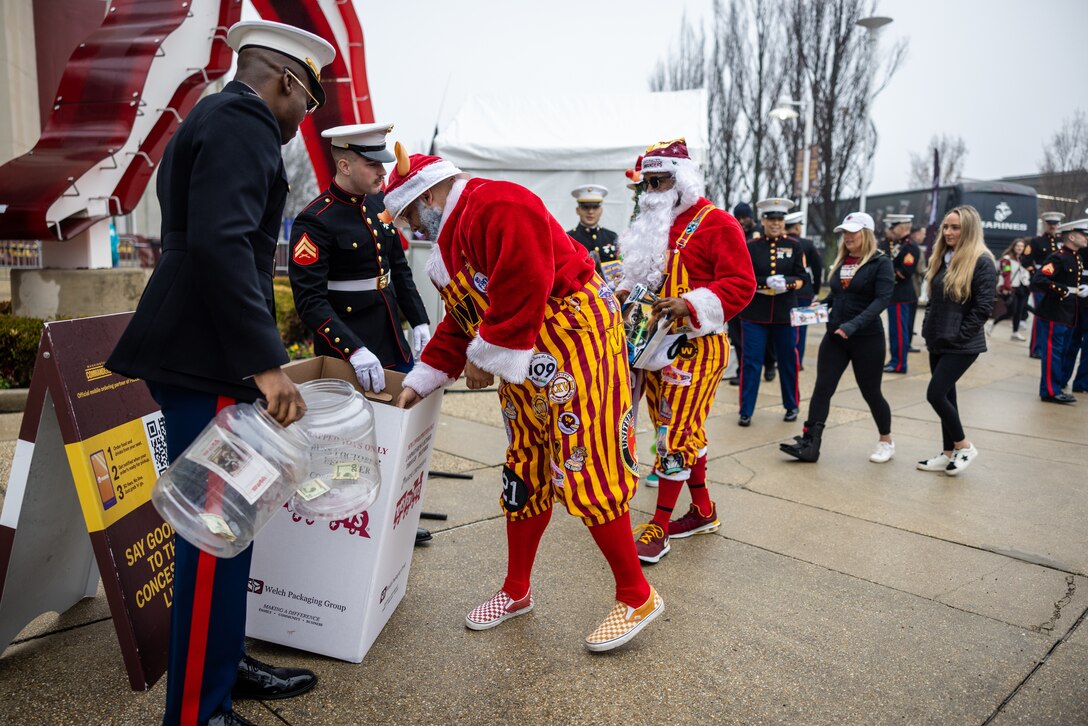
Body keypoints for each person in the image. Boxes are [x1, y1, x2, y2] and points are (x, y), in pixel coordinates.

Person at [105, 20, 334, 726]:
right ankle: (197, 712)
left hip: (205, 350)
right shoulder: (243, 120)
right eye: (309, 102)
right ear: (288, 81)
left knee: (232, 529)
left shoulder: (219, 113)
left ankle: (222, 668)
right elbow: (222, 242)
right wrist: (265, 363)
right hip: (205, 354)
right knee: (211, 543)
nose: (305, 118)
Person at [386, 145, 662, 652]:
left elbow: (526, 278)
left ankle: (636, 593)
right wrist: (419, 379)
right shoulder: (452, 237)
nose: (410, 228)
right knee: (525, 467)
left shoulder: (497, 203)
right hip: (524, 353)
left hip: (575, 343)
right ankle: (517, 590)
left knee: (587, 462)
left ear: (425, 196)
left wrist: (482, 356)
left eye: (407, 215)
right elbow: (462, 317)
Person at [612, 139, 754, 564]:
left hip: (697, 347)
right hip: (653, 348)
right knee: (679, 429)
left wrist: (691, 303)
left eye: (662, 180)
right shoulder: (653, 222)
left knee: (673, 434)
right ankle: (703, 512)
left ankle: (659, 525)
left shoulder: (718, 223)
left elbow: (741, 285)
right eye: (649, 183)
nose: (654, 189)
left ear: (684, 179)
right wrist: (625, 293)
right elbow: (646, 277)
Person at [289, 123, 430, 392]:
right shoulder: (314, 221)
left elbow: (398, 270)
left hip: (392, 339)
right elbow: (310, 301)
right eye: (373, 164)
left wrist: (419, 319)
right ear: (345, 166)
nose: (383, 172)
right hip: (348, 347)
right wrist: (353, 350)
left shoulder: (380, 203)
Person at [780, 212, 894, 463]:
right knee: (822, 388)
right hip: (835, 336)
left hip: (867, 337)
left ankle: (886, 440)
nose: (848, 237)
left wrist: (853, 325)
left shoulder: (880, 262)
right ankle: (810, 445)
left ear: (866, 233)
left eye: (853, 231)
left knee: (871, 392)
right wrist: (818, 306)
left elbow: (881, 300)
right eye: (845, 232)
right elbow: (838, 296)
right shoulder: (843, 260)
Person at [917, 205, 996, 476]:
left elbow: (983, 308)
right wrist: (928, 329)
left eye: (955, 227)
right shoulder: (942, 256)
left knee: (935, 394)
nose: (948, 232)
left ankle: (964, 445)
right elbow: (932, 301)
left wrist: (960, 335)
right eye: (946, 227)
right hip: (937, 339)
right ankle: (948, 452)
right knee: (948, 395)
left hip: (962, 344)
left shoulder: (982, 261)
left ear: (969, 230)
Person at [736, 198, 811, 426]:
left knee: (789, 360)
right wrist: (764, 282)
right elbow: (743, 277)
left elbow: (803, 278)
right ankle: (746, 410)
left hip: (784, 314)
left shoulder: (794, 246)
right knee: (751, 362)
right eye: (771, 219)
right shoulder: (751, 246)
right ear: (763, 220)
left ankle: (791, 405)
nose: (776, 223)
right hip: (755, 314)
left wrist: (787, 283)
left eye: (780, 219)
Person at [1032, 218, 1088, 403]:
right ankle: (1049, 391)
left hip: (1067, 312)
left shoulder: (1076, 257)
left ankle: (1055, 388)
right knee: (1052, 352)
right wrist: (1062, 290)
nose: (1087, 238)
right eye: (1084, 235)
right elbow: (1040, 279)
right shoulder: (1059, 256)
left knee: (1060, 351)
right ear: (1071, 237)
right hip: (1054, 311)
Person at [1023, 212, 1066, 359]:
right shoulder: (1036, 242)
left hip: (1059, 283)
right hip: (1041, 284)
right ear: (1045, 224)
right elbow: (1026, 260)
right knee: (1041, 316)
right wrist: (1037, 274)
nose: (1053, 226)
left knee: (1055, 318)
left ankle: (1049, 347)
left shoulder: (1063, 241)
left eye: (1055, 223)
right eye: (1050, 223)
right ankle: (1037, 348)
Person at [785, 210, 823, 370]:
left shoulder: (782, 242)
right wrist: (815, 289)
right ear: (797, 228)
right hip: (804, 290)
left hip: (786, 289)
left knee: (786, 329)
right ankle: (797, 361)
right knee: (801, 330)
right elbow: (817, 267)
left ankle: (785, 360)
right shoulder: (807, 244)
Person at [880, 213, 919, 373]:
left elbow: (905, 272)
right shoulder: (898, 244)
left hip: (902, 294)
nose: (891, 230)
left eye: (893, 227)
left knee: (899, 332)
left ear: (902, 227)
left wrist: (886, 270)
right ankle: (894, 360)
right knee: (894, 331)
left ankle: (899, 363)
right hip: (895, 294)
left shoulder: (909, 246)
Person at [989, 238, 1031, 340]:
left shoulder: (1020, 259)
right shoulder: (1007, 259)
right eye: (1018, 246)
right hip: (1010, 289)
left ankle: (1015, 333)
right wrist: (1007, 287)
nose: (1020, 248)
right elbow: (1006, 274)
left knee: (1019, 311)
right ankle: (993, 323)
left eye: (1022, 246)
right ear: (1013, 247)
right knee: (1011, 312)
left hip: (1021, 289)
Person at [568, 184, 620, 263]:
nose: (590, 212)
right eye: (585, 207)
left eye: (595, 207)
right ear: (577, 210)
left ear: (601, 210)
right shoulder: (569, 238)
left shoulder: (611, 237)